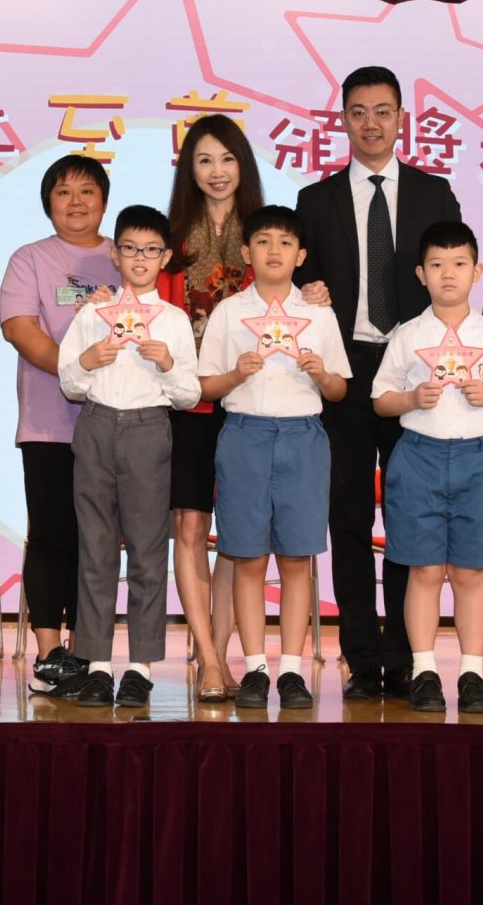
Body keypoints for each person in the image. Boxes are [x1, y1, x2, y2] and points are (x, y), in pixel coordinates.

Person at [295, 65, 462, 701]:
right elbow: (299, 285)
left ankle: (409, 655)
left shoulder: (434, 193)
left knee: (410, 514)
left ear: (401, 119)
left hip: (415, 373)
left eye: (383, 111)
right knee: (347, 514)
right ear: (342, 119)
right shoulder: (316, 201)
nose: (371, 123)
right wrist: (308, 294)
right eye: (359, 112)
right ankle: (363, 658)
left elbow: (451, 276)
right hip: (345, 370)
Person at [371, 221, 483, 714]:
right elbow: (380, 399)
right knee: (423, 571)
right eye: (436, 265)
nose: (448, 274)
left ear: (476, 271)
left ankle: (472, 674)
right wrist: (411, 398)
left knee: (468, 573)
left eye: (459, 264)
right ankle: (423, 671)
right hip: (419, 457)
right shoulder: (408, 335)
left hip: (480, 458)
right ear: (421, 274)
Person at [199, 204, 351, 710]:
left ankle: (291, 670)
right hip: (244, 434)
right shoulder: (228, 312)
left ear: (301, 256)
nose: (274, 251)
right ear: (247, 252)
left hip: (303, 436)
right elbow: (206, 386)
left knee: (296, 559)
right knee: (246, 558)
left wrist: (321, 374)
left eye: (286, 243)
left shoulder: (319, 313)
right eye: (263, 241)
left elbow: (339, 390)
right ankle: (255, 669)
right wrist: (236, 374)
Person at [58, 206, 201, 708]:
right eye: (130, 249)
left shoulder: (175, 321)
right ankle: (97, 664)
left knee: (147, 551)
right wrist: (87, 360)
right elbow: (69, 384)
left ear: (165, 257)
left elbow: (188, 394)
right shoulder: (91, 314)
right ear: (115, 254)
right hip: (97, 424)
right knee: (95, 550)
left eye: (151, 250)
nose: (140, 258)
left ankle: (140, 667)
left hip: (148, 429)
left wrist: (167, 363)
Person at [0, 154, 119, 694]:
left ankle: (86, 650)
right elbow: (20, 329)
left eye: (87, 191)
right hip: (49, 423)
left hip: (114, 422)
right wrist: (77, 370)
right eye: (64, 192)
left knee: (97, 541)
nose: (76, 202)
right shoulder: (30, 258)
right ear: (47, 202)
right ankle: (49, 654)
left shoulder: (124, 255)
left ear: (104, 200)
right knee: (50, 535)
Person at [159, 115, 261, 701]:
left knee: (237, 533)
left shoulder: (266, 232)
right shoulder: (171, 240)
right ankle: (209, 660)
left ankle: (218, 650)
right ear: (189, 170)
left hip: (252, 403)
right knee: (191, 526)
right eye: (204, 160)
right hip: (188, 403)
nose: (217, 171)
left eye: (226, 158)